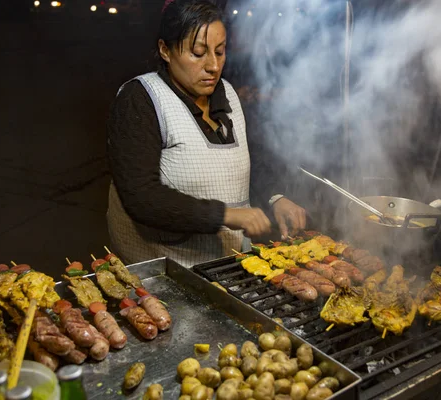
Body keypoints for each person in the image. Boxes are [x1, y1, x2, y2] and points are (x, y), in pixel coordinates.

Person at [106, 0, 307, 267]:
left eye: (220, 51)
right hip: (166, 268)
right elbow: (142, 197)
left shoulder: (228, 94)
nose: (213, 65)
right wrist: (225, 215)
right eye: (198, 53)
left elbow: (246, 160)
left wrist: (275, 197)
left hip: (229, 263)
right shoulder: (140, 99)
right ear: (165, 50)